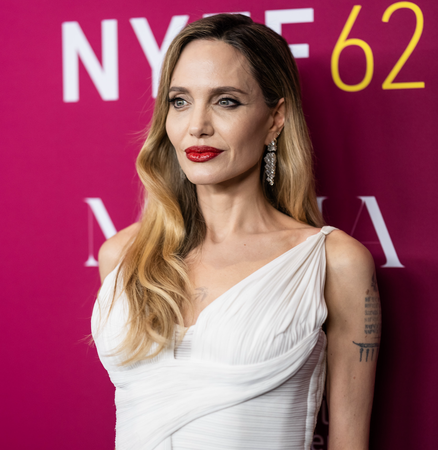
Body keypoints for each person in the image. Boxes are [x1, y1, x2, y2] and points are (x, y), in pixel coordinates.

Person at [92, 13, 381, 450]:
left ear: (274, 119)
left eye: (225, 101)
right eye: (180, 101)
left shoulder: (333, 262)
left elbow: (349, 443)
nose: (197, 125)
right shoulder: (123, 256)